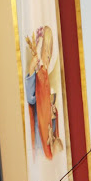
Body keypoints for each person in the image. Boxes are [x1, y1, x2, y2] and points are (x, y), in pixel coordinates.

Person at [25, 25, 63, 160]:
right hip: (39, 129)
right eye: (45, 53)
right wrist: (31, 69)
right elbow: (31, 98)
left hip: (47, 127)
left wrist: (53, 111)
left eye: (49, 54)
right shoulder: (39, 74)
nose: (47, 58)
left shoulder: (45, 75)